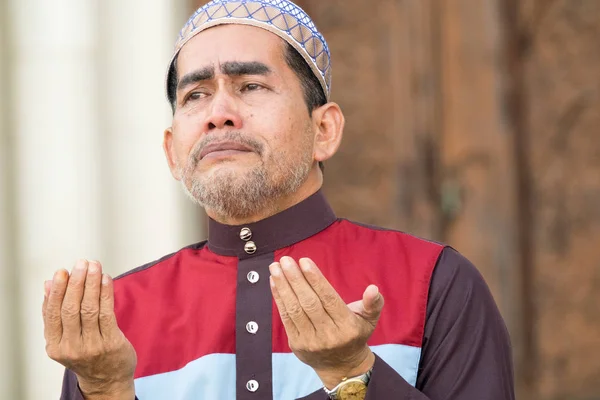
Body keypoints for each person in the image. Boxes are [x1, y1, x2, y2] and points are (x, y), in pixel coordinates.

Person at [42, 0, 515, 399]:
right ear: (172, 150)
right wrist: (106, 388)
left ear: (323, 131)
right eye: (195, 96)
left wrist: (352, 373)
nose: (219, 115)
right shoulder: (114, 322)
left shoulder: (434, 283)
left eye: (251, 86)